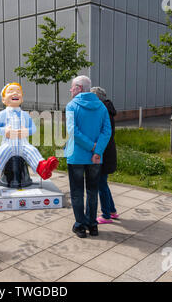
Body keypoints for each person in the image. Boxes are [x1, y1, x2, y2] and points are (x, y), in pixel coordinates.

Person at [0, 82, 58, 182]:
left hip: (23, 145)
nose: (15, 93)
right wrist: (5, 131)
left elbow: (33, 128)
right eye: (11, 91)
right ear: (4, 99)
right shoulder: (3, 114)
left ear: (22, 98)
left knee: (33, 151)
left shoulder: (25, 115)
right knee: (1, 153)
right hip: (8, 144)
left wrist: (26, 131)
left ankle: (43, 168)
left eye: (18, 91)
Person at [65, 76, 112, 238]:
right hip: (96, 158)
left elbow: (73, 132)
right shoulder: (101, 106)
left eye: (72, 87)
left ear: (79, 88)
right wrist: (97, 150)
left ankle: (80, 226)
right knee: (92, 191)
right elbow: (107, 131)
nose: (70, 90)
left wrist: (91, 146)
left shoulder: (71, 106)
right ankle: (92, 225)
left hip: (76, 156)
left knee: (77, 192)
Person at [91, 87, 119, 224]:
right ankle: (112, 211)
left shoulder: (104, 112)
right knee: (103, 183)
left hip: (104, 153)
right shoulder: (107, 110)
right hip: (108, 152)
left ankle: (106, 215)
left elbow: (104, 134)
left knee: (101, 184)